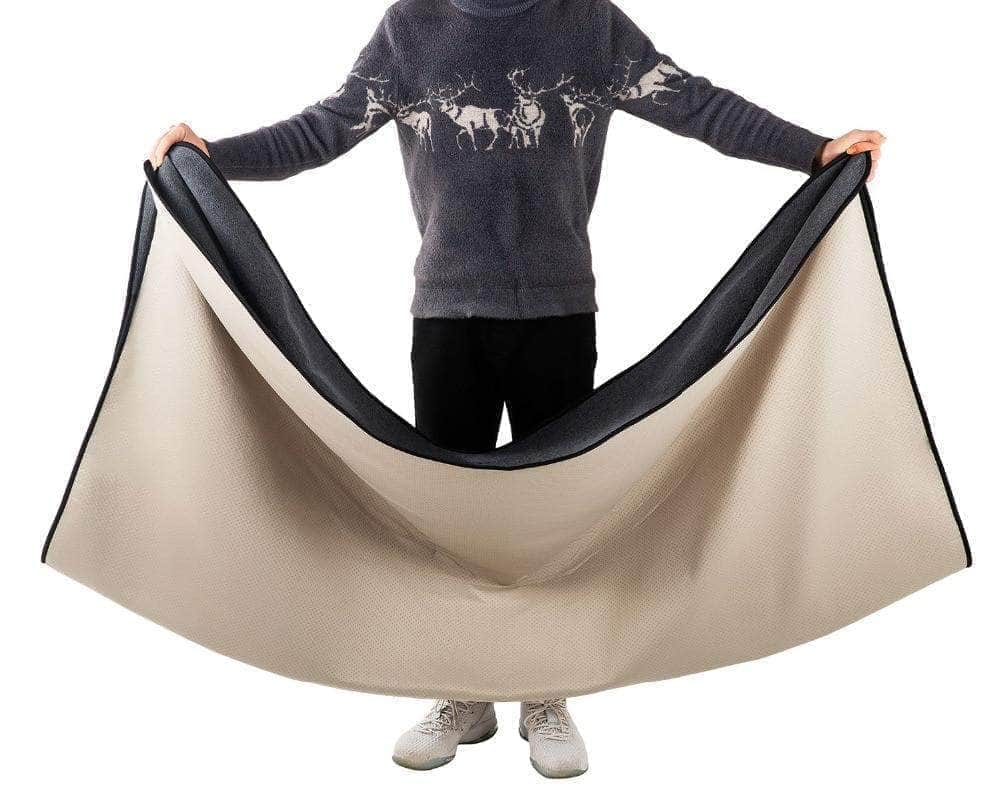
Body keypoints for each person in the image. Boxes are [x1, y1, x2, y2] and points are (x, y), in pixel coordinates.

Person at [151, 0, 884, 779]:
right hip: (448, 317)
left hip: (559, 315)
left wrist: (814, 152)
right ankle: (460, 691)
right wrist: (211, 157)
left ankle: (546, 693)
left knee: (554, 515)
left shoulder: (589, 24)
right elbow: (320, 131)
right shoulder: (411, 27)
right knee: (448, 519)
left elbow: (697, 105)